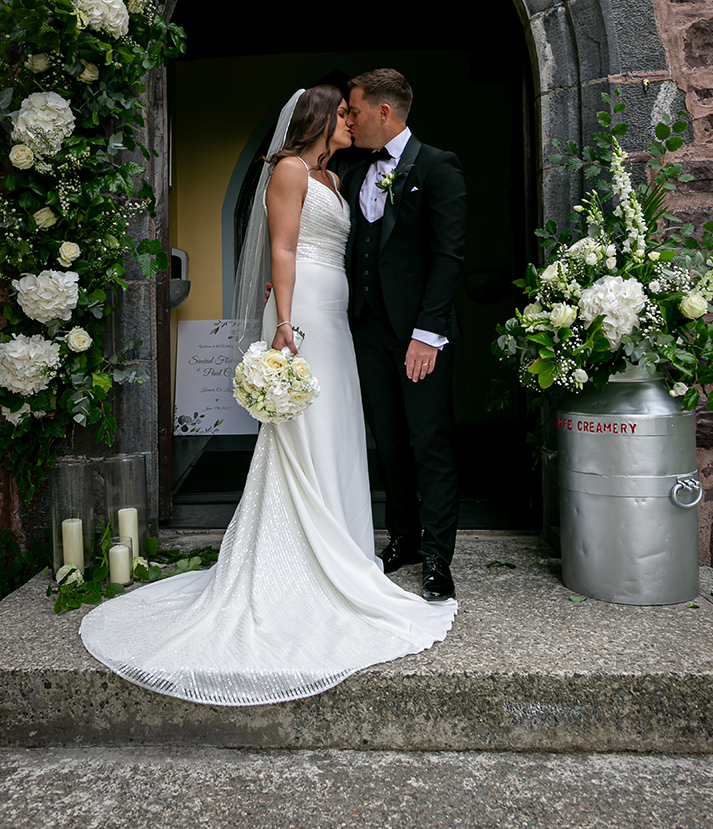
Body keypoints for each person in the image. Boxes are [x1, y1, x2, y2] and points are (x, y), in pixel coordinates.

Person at [79, 86, 456, 707]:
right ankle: (302, 557)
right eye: (341, 113)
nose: (350, 120)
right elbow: (283, 247)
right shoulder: (286, 171)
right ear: (316, 120)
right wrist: (284, 321)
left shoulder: (336, 178)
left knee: (337, 427)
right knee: (304, 431)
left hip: (338, 315)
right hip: (303, 312)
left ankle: (344, 547)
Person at [342, 70, 466, 603]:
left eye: (355, 110)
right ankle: (404, 540)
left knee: (429, 443)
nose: (349, 119)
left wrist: (427, 333)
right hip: (367, 330)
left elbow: (449, 256)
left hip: (419, 335)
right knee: (389, 443)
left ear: (384, 112)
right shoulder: (351, 171)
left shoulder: (438, 166)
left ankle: (439, 557)